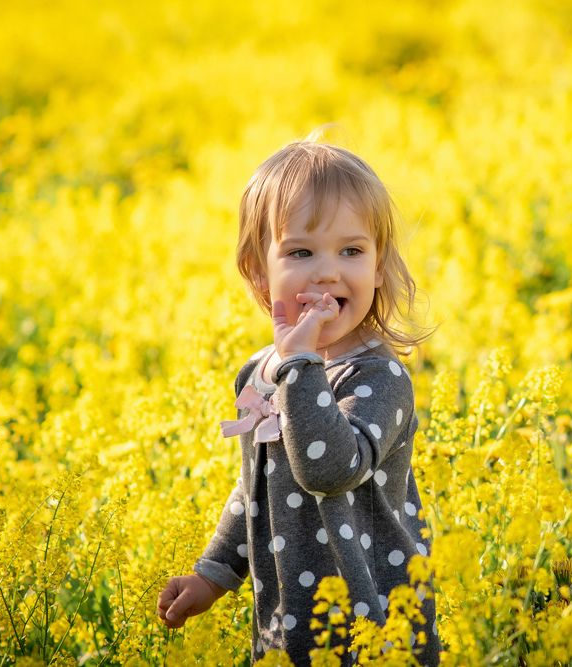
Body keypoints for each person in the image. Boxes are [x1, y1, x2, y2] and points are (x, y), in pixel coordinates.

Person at [156, 140, 439, 665]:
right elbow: (255, 488)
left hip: (375, 623)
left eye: (352, 251)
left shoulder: (380, 377)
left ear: (379, 268)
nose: (328, 272)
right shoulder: (263, 372)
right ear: (259, 272)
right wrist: (212, 575)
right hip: (288, 624)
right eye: (302, 253)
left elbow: (328, 469)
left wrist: (301, 364)